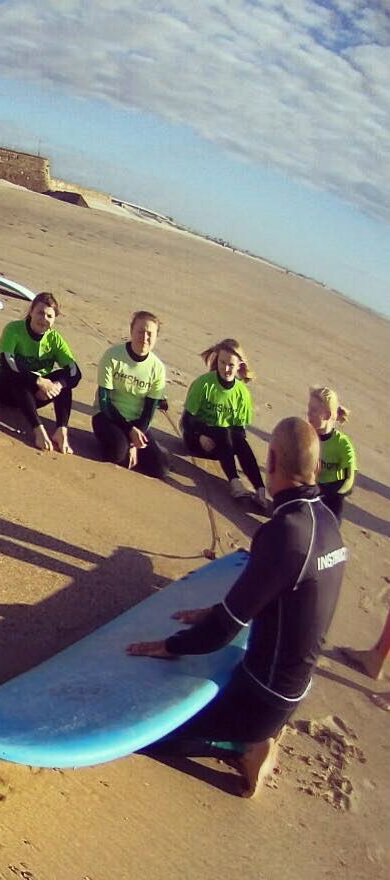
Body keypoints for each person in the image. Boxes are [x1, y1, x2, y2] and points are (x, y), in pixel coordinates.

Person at [127, 418, 346, 796]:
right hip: (294, 689)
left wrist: (169, 645)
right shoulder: (326, 519)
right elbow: (284, 599)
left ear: (272, 459)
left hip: (261, 696)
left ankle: (243, 746)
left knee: (149, 735)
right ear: (313, 468)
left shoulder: (285, 532)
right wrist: (218, 609)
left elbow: (219, 634)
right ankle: (259, 733)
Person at [0, 292, 80, 453]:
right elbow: (9, 363)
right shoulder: (14, 329)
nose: (43, 319)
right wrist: (38, 381)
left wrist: (57, 385)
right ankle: (38, 429)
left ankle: (61, 430)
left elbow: (75, 372)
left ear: (54, 319)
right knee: (19, 378)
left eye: (49, 316)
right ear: (31, 312)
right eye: (40, 313)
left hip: (35, 395)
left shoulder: (54, 339)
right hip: (3, 387)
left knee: (63, 381)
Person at [181, 338, 267, 507]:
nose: (226, 368)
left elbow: (240, 431)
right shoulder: (204, 383)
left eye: (231, 365)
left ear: (239, 366)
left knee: (238, 439)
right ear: (216, 359)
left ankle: (260, 489)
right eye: (222, 362)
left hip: (222, 448)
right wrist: (200, 436)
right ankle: (235, 483)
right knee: (222, 431)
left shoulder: (242, 393)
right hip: (197, 440)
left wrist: (233, 440)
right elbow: (186, 420)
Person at [92, 311, 170, 478]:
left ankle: (139, 448)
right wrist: (129, 431)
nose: (145, 337)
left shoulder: (158, 368)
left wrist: (135, 442)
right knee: (116, 455)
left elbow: (148, 413)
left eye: (150, 333)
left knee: (161, 470)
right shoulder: (113, 356)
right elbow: (104, 402)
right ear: (131, 331)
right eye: (140, 331)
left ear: (156, 337)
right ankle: (119, 443)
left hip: (137, 422)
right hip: (107, 416)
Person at [307, 386, 355, 522]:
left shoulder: (342, 445)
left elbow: (348, 481)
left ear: (327, 415)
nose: (308, 413)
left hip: (331, 501)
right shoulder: (306, 435)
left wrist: (324, 491)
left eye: (314, 410)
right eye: (309, 408)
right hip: (308, 493)